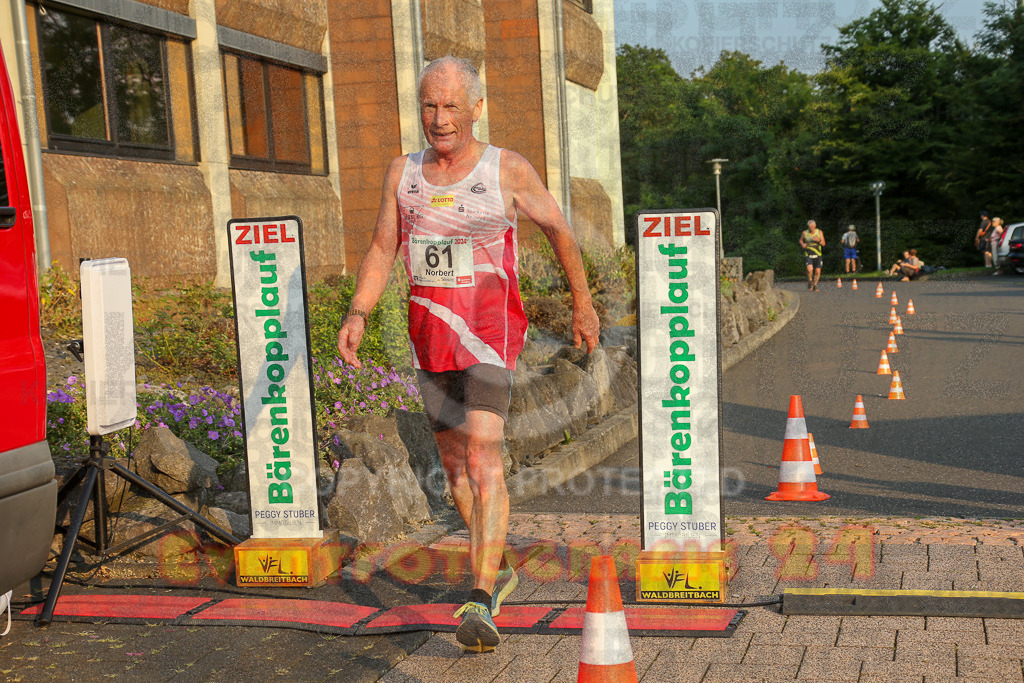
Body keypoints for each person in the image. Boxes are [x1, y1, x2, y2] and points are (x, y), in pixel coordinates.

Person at [336, 56, 600, 653]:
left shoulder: (505, 169)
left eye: (452, 105)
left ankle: (480, 599)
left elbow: (560, 230)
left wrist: (582, 304)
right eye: (430, 105)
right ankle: (497, 565)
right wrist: (358, 311)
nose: (440, 118)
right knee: (455, 468)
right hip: (431, 336)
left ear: (476, 108)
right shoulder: (402, 173)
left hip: (490, 334)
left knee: (483, 456)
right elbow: (384, 246)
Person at [800, 220, 825, 290]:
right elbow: (801, 240)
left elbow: (823, 243)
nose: (811, 228)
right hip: (808, 254)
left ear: (815, 226)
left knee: (818, 272)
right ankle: (810, 280)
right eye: (810, 227)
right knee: (809, 269)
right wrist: (802, 244)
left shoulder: (819, 232)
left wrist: (818, 240)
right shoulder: (805, 233)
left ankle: (815, 285)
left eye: (812, 227)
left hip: (818, 254)